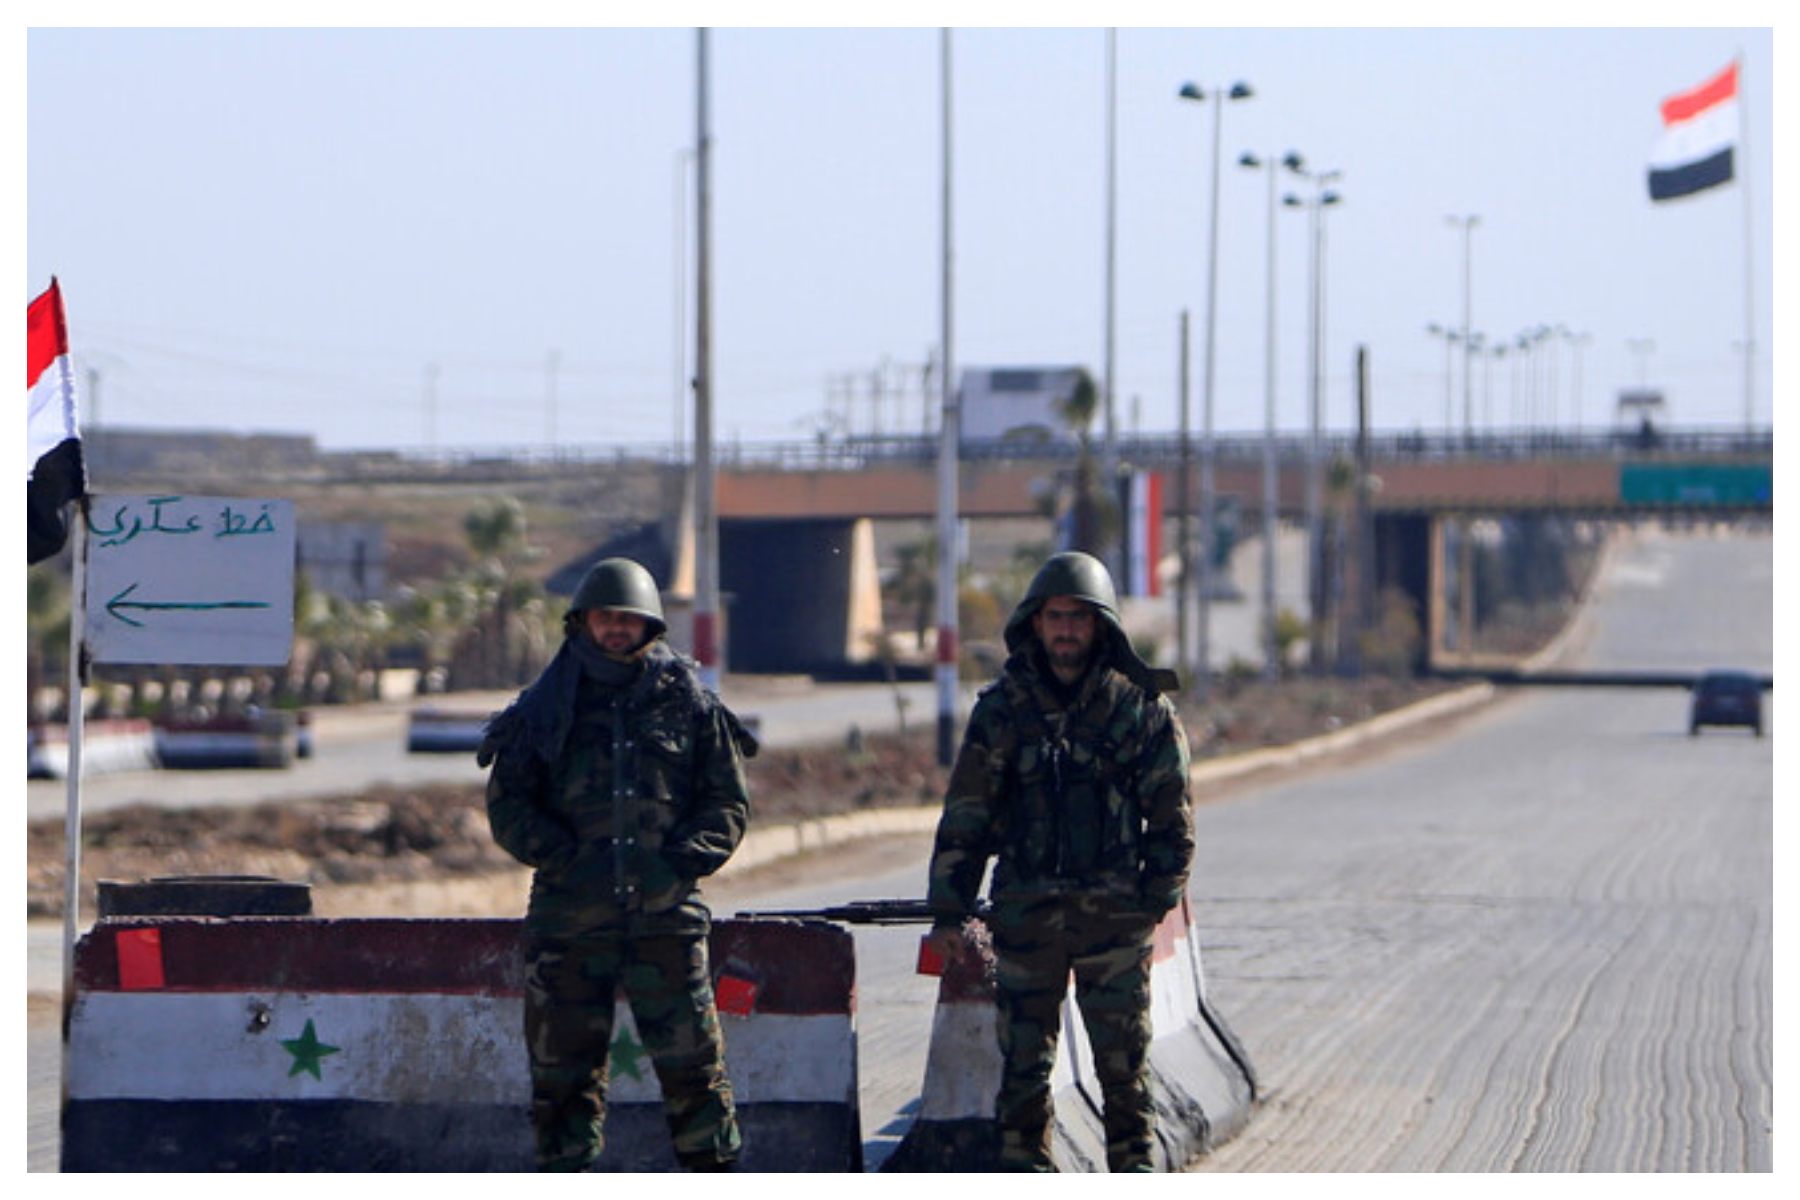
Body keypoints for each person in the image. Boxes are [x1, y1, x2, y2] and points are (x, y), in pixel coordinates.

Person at [479, 557, 755, 1172]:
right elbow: (509, 807)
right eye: (605, 618)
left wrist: (681, 863)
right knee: (563, 1084)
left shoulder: (690, 705)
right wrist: (564, 857)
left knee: (696, 1074)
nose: (616, 629)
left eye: (628, 619)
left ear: (648, 626)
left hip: (667, 924)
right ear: (582, 623)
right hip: (569, 927)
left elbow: (728, 803)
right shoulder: (542, 708)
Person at [925, 551, 1194, 1172]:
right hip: (1026, 920)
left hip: (1113, 926)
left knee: (1125, 1078)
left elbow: (1173, 822)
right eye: (1055, 617)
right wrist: (949, 911)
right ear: (1035, 623)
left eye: (1078, 617)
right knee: (1021, 1080)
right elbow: (967, 816)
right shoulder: (1003, 712)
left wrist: (1147, 904)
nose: (1066, 630)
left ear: (1101, 625)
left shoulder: (1141, 710)